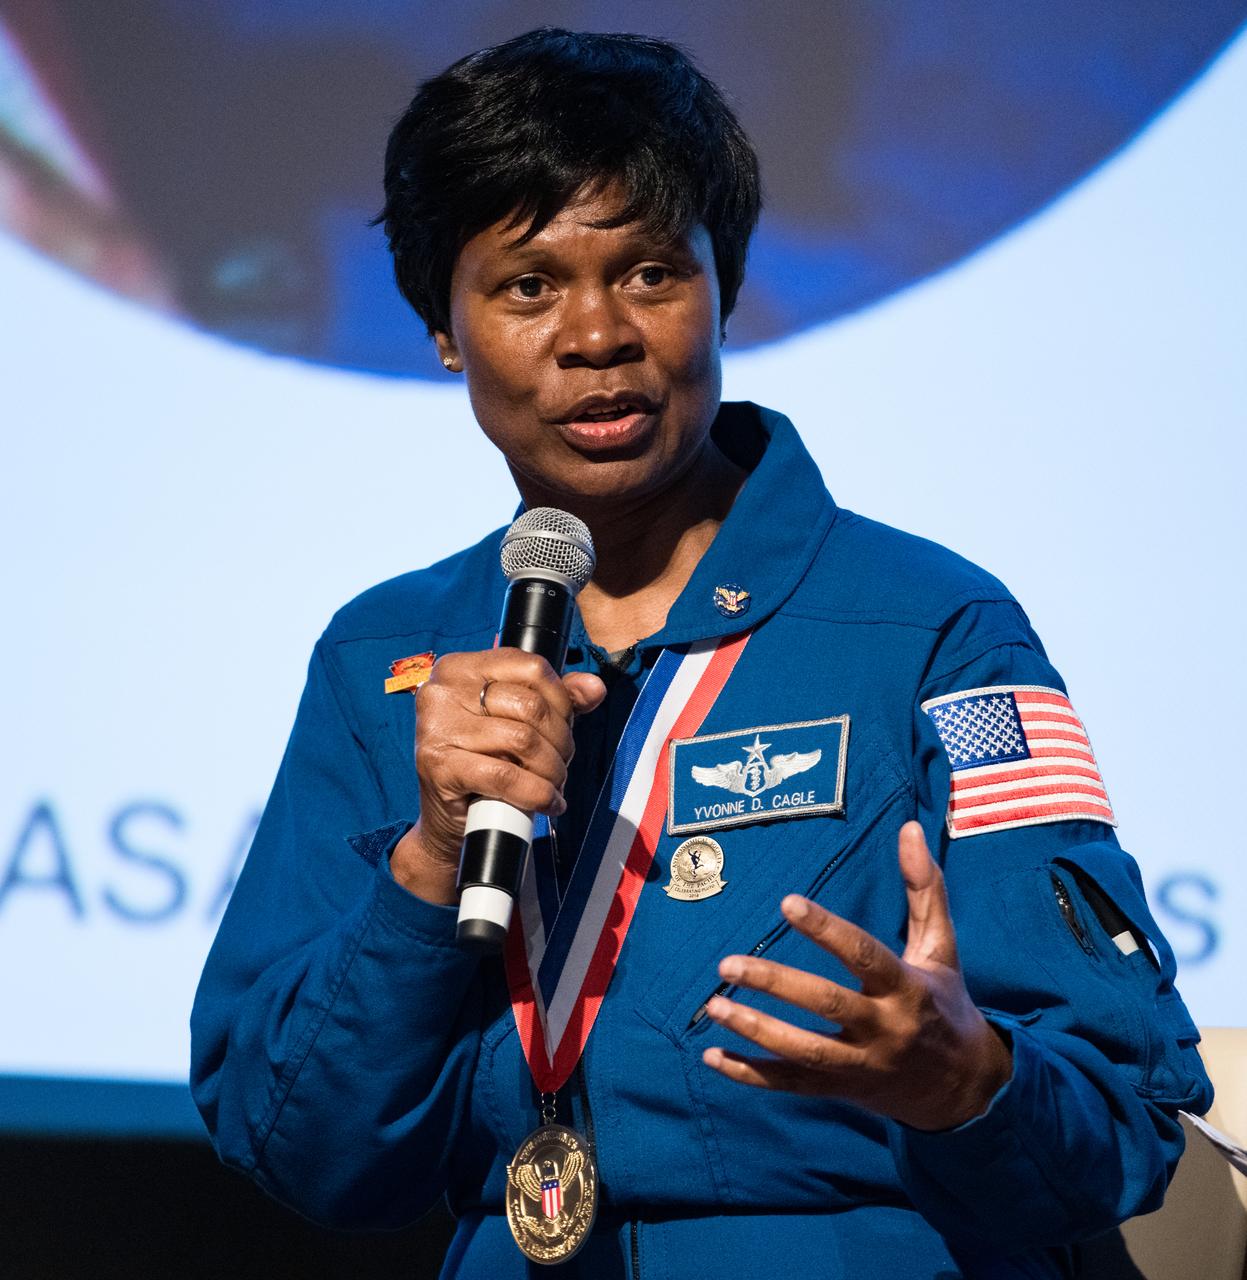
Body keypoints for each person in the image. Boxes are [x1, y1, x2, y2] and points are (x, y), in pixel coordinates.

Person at [190, 28, 1212, 1279]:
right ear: (442, 330)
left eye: (650, 274)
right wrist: (428, 861)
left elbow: (1120, 1125)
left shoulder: (935, 627)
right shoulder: (385, 656)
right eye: (525, 286)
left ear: (721, 288)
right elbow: (297, 1144)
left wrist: (966, 1078)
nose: (594, 334)